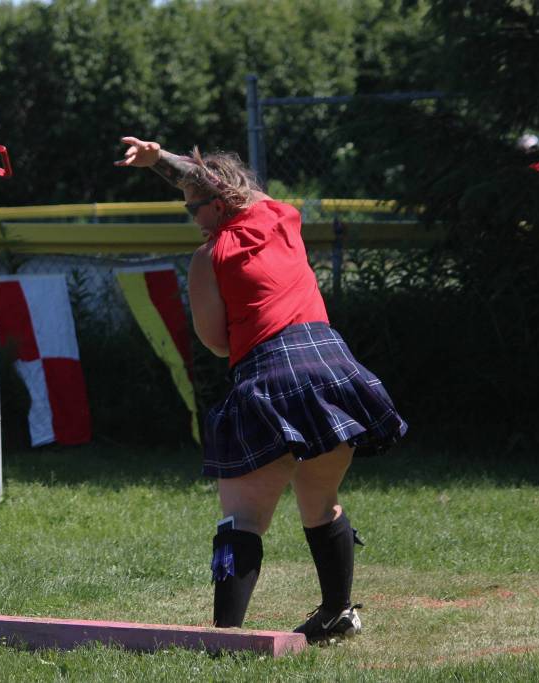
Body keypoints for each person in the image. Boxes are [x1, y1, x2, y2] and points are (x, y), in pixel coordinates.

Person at [115, 137, 407, 643]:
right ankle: (337, 611)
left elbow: (216, 343)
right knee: (321, 501)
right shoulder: (281, 216)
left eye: (193, 208)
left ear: (219, 204)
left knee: (242, 518)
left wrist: (161, 161)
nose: (192, 217)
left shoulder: (211, 255)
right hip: (333, 369)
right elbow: (214, 184)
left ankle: (226, 637)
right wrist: (160, 161)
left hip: (272, 374)